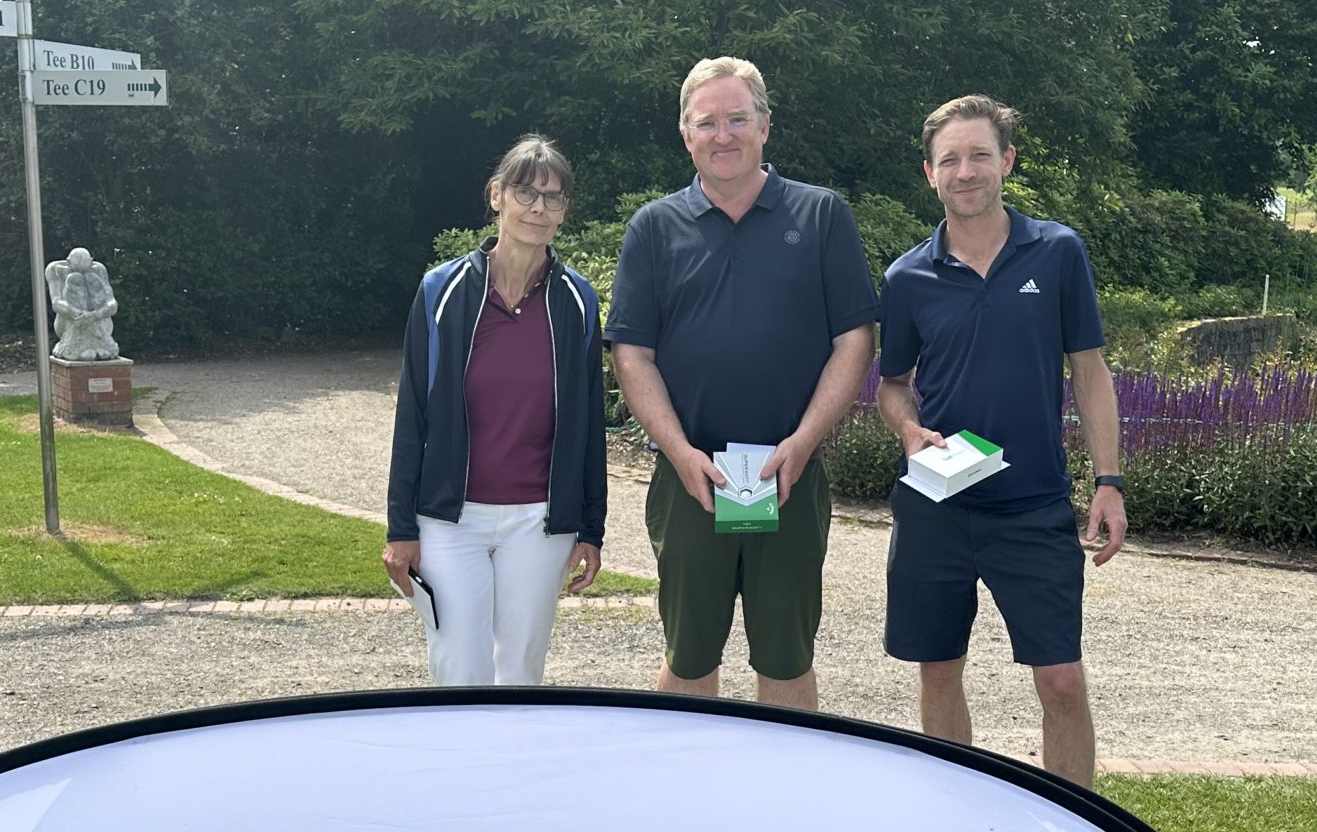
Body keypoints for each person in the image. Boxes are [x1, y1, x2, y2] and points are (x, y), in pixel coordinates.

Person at [609, 56, 879, 708]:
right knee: (688, 658)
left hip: (789, 476)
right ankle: (690, 778)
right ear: (686, 134)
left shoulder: (821, 215)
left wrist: (804, 442)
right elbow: (633, 354)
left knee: (786, 662)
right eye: (707, 122)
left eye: (737, 118)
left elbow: (854, 341)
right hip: (690, 480)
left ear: (764, 126)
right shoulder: (654, 227)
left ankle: (782, 780)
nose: (722, 134)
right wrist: (680, 452)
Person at [875, 95, 1126, 785]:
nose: (966, 171)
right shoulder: (907, 277)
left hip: (1033, 505)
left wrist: (1108, 482)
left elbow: (1090, 371)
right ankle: (954, 813)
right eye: (950, 159)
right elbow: (891, 385)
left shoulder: (1058, 251)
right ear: (929, 173)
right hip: (936, 507)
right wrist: (907, 427)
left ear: (1007, 161)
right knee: (938, 670)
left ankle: (1074, 825)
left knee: (1061, 681)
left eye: (980, 155)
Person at [384, 136, 607, 685]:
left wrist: (591, 528)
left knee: (521, 674)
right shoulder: (441, 291)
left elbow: (588, 424)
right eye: (525, 192)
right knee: (459, 669)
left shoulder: (578, 301)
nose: (538, 208)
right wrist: (400, 526)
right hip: (450, 519)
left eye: (553, 198)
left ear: (565, 211)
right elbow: (412, 415)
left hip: (539, 521)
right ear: (496, 196)